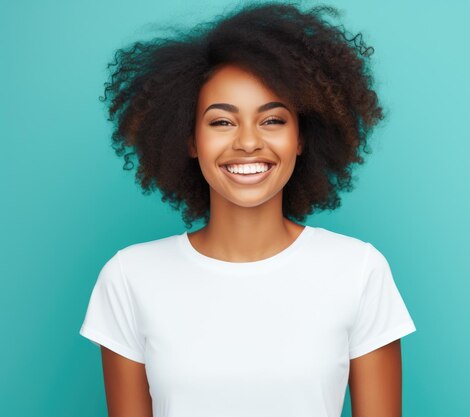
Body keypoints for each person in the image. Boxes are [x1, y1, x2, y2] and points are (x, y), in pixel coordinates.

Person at [79, 2, 417, 416]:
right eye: (222, 122)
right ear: (189, 140)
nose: (248, 142)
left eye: (272, 120)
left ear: (301, 138)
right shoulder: (129, 278)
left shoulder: (359, 271)